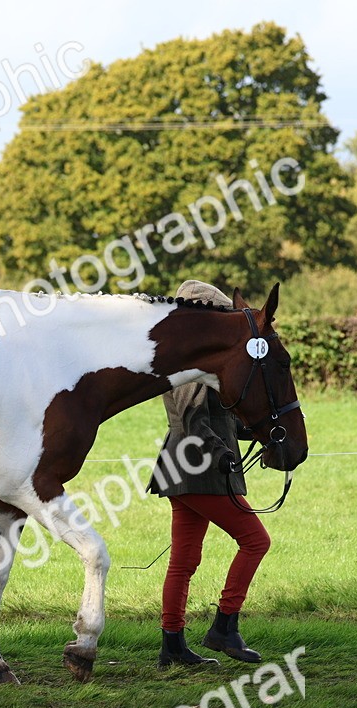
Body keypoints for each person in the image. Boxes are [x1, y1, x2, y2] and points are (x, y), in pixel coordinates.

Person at [147, 280, 270, 669]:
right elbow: (190, 422)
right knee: (255, 540)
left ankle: (172, 647)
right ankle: (224, 626)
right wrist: (223, 456)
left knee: (184, 560)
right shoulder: (190, 363)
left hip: (190, 472)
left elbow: (218, 417)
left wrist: (261, 435)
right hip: (197, 471)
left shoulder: (200, 359)